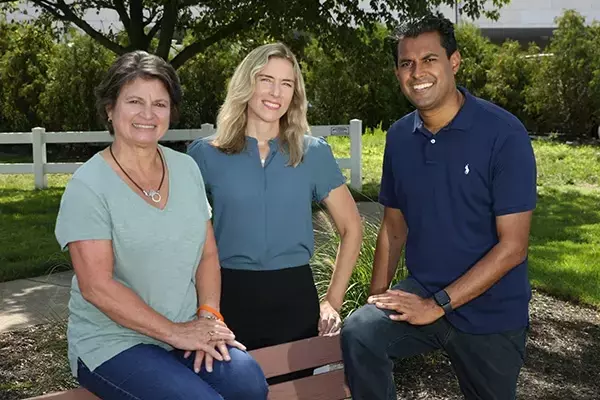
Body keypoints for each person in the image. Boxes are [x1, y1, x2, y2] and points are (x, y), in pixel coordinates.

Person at [341, 14, 537, 400]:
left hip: (491, 310)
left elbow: (514, 247)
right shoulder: (399, 137)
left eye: (429, 59)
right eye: (406, 63)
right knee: (362, 332)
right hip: (422, 293)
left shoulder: (504, 134)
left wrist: (439, 304)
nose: (417, 72)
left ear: (454, 62)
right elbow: (394, 228)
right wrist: (377, 297)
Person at [54, 50, 268, 400]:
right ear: (110, 109)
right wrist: (176, 333)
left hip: (186, 330)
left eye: (160, 104)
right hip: (113, 343)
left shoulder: (185, 169)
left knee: (249, 383)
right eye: (134, 101)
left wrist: (209, 317)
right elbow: (97, 287)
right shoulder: (88, 186)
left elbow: (207, 255)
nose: (148, 114)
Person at [187, 43, 362, 375]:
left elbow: (352, 227)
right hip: (227, 297)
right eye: (266, 79)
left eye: (287, 83)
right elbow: (184, 237)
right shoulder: (204, 155)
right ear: (246, 84)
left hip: (293, 299)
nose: (275, 92)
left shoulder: (313, 153)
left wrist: (332, 302)